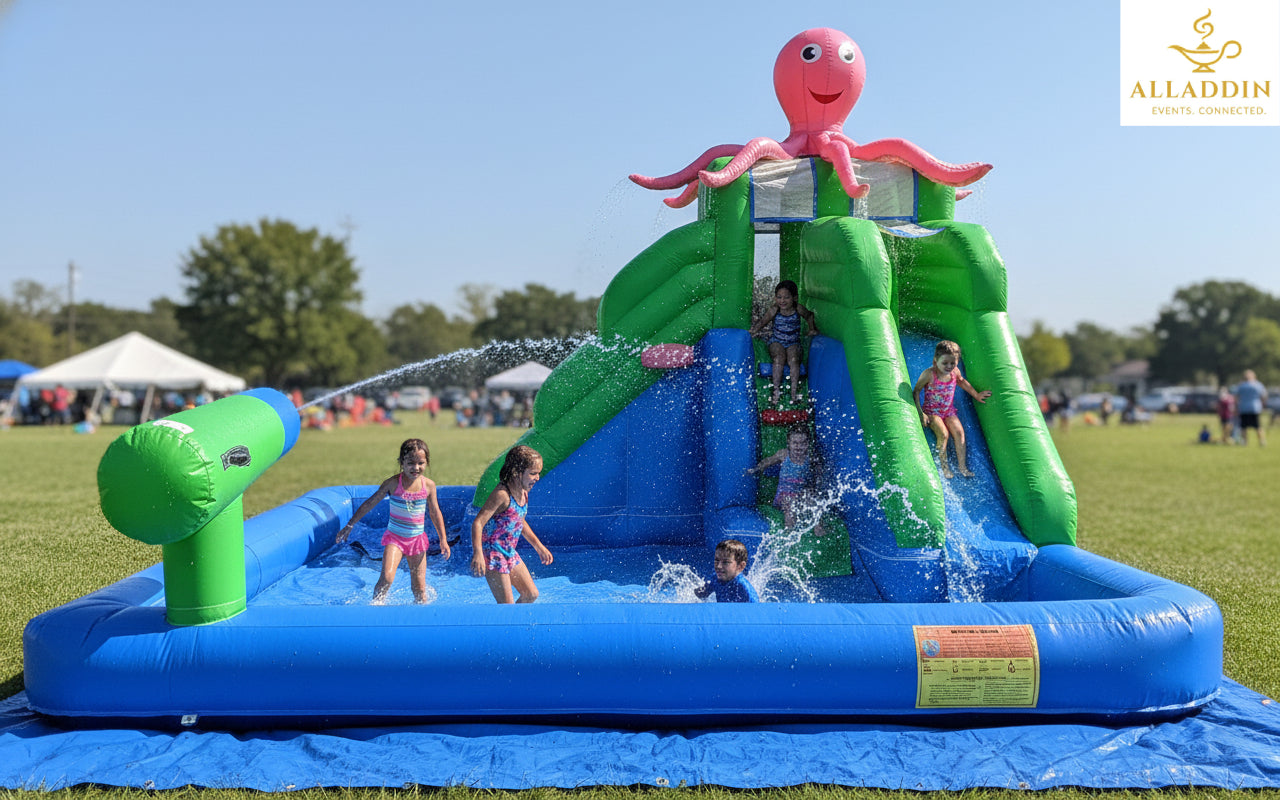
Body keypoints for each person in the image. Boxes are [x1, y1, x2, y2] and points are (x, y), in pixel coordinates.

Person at [336, 438, 450, 604]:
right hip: (395, 539)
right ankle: (377, 605)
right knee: (388, 577)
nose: (416, 468)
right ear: (401, 462)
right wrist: (350, 525)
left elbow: (435, 512)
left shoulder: (429, 486)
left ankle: (421, 613)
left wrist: (443, 540)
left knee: (419, 587)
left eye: (421, 463)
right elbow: (370, 503)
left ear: (427, 463)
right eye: (411, 463)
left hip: (417, 540)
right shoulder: (392, 484)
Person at [470, 445, 554, 603]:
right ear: (517, 472)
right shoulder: (502, 495)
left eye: (538, 473)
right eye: (533, 473)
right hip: (493, 554)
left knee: (531, 594)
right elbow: (478, 523)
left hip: (509, 551)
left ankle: (514, 624)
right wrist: (478, 554)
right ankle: (506, 625)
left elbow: (519, 521)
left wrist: (539, 546)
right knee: (506, 606)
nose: (537, 478)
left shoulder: (523, 492)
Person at [912, 340, 992, 478]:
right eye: (945, 363)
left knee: (960, 433)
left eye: (953, 363)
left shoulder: (955, 372)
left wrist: (976, 395)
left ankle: (962, 468)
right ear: (935, 361)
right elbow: (916, 391)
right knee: (943, 434)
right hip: (932, 411)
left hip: (948, 411)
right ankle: (944, 468)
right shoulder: (929, 374)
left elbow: (961, 381)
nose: (949, 366)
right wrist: (921, 413)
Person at [749, 280, 819, 406]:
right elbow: (763, 321)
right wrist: (753, 331)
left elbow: (809, 316)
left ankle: (793, 391)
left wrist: (811, 329)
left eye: (787, 297)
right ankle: (776, 390)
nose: (782, 301)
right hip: (777, 340)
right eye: (779, 297)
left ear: (795, 298)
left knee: (793, 360)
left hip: (793, 342)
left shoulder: (798, 309)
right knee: (779, 357)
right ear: (775, 298)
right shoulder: (774, 310)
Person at [746, 426, 823, 535]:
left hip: (800, 494)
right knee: (790, 505)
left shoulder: (810, 458)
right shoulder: (784, 454)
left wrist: (817, 486)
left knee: (812, 499)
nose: (799, 447)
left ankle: (818, 528)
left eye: (803, 443)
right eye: (795, 443)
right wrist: (755, 469)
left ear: (808, 443)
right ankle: (789, 532)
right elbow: (767, 461)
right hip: (784, 495)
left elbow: (818, 474)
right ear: (789, 442)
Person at [694, 539, 760, 603]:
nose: (719, 566)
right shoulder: (716, 578)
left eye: (726, 562)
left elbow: (756, 610)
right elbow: (704, 593)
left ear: (740, 566)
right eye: (717, 560)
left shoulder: (744, 589)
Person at [1232, 369, 1269, 446]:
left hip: (1243, 408)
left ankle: (1245, 442)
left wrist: (1236, 407)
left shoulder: (1241, 386)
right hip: (1255, 407)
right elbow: (1264, 395)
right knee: (1258, 426)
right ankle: (1262, 441)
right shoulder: (1258, 385)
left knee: (1243, 427)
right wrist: (1262, 404)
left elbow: (1236, 397)